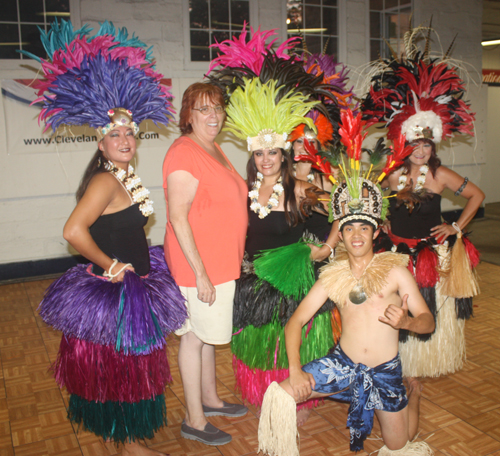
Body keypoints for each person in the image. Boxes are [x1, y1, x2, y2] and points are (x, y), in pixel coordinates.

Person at [34, 21, 187, 456]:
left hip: (135, 283)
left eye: (129, 133)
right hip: (116, 291)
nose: (124, 139)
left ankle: (123, 442)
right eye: (114, 135)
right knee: (119, 369)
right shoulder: (104, 180)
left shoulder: (124, 175)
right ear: (101, 144)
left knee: (126, 369)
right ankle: (126, 445)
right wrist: (110, 265)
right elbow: (72, 231)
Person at [257, 150, 435, 456]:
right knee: (281, 395)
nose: (355, 235)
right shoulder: (333, 277)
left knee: (400, 444)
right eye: (348, 228)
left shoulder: (395, 271)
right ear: (340, 234)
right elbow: (296, 322)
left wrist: (406, 322)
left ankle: (412, 394)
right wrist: (296, 371)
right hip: (343, 366)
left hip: (384, 371)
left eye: (363, 228)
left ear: (376, 231)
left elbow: (428, 321)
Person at [361, 28, 484, 377]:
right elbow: (377, 199)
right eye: (415, 144)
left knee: (430, 307)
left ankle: (424, 359)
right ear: (404, 143)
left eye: (426, 145)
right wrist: (382, 219)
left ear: (434, 146)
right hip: (396, 253)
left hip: (431, 255)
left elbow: (478, 195)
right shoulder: (390, 173)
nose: (421, 150)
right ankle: (394, 356)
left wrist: (457, 226)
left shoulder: (441, 175)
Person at [223, 78, 341, 415]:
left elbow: (340, 211)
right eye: (259, 153)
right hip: (256, 280)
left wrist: (327, 248)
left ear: (283, 153)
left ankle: (295, 394)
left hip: (294, 280)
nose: (265, 159)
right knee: (261, 342)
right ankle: (267, 393)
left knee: (291, 338)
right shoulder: (243, 191)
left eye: (272, 151)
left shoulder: (301, 189)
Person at [162, 82, 249, 446]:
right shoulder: (184, 152)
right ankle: (194, 420)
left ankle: (210, 400)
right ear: (189, 116)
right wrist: (200, 273)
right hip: (199, 266)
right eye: (203, 109)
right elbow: (178, 218)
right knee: (194, 338)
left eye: (217, 108)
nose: (213, 116)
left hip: (221, 262)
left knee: (208, 336)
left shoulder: (213, 148)